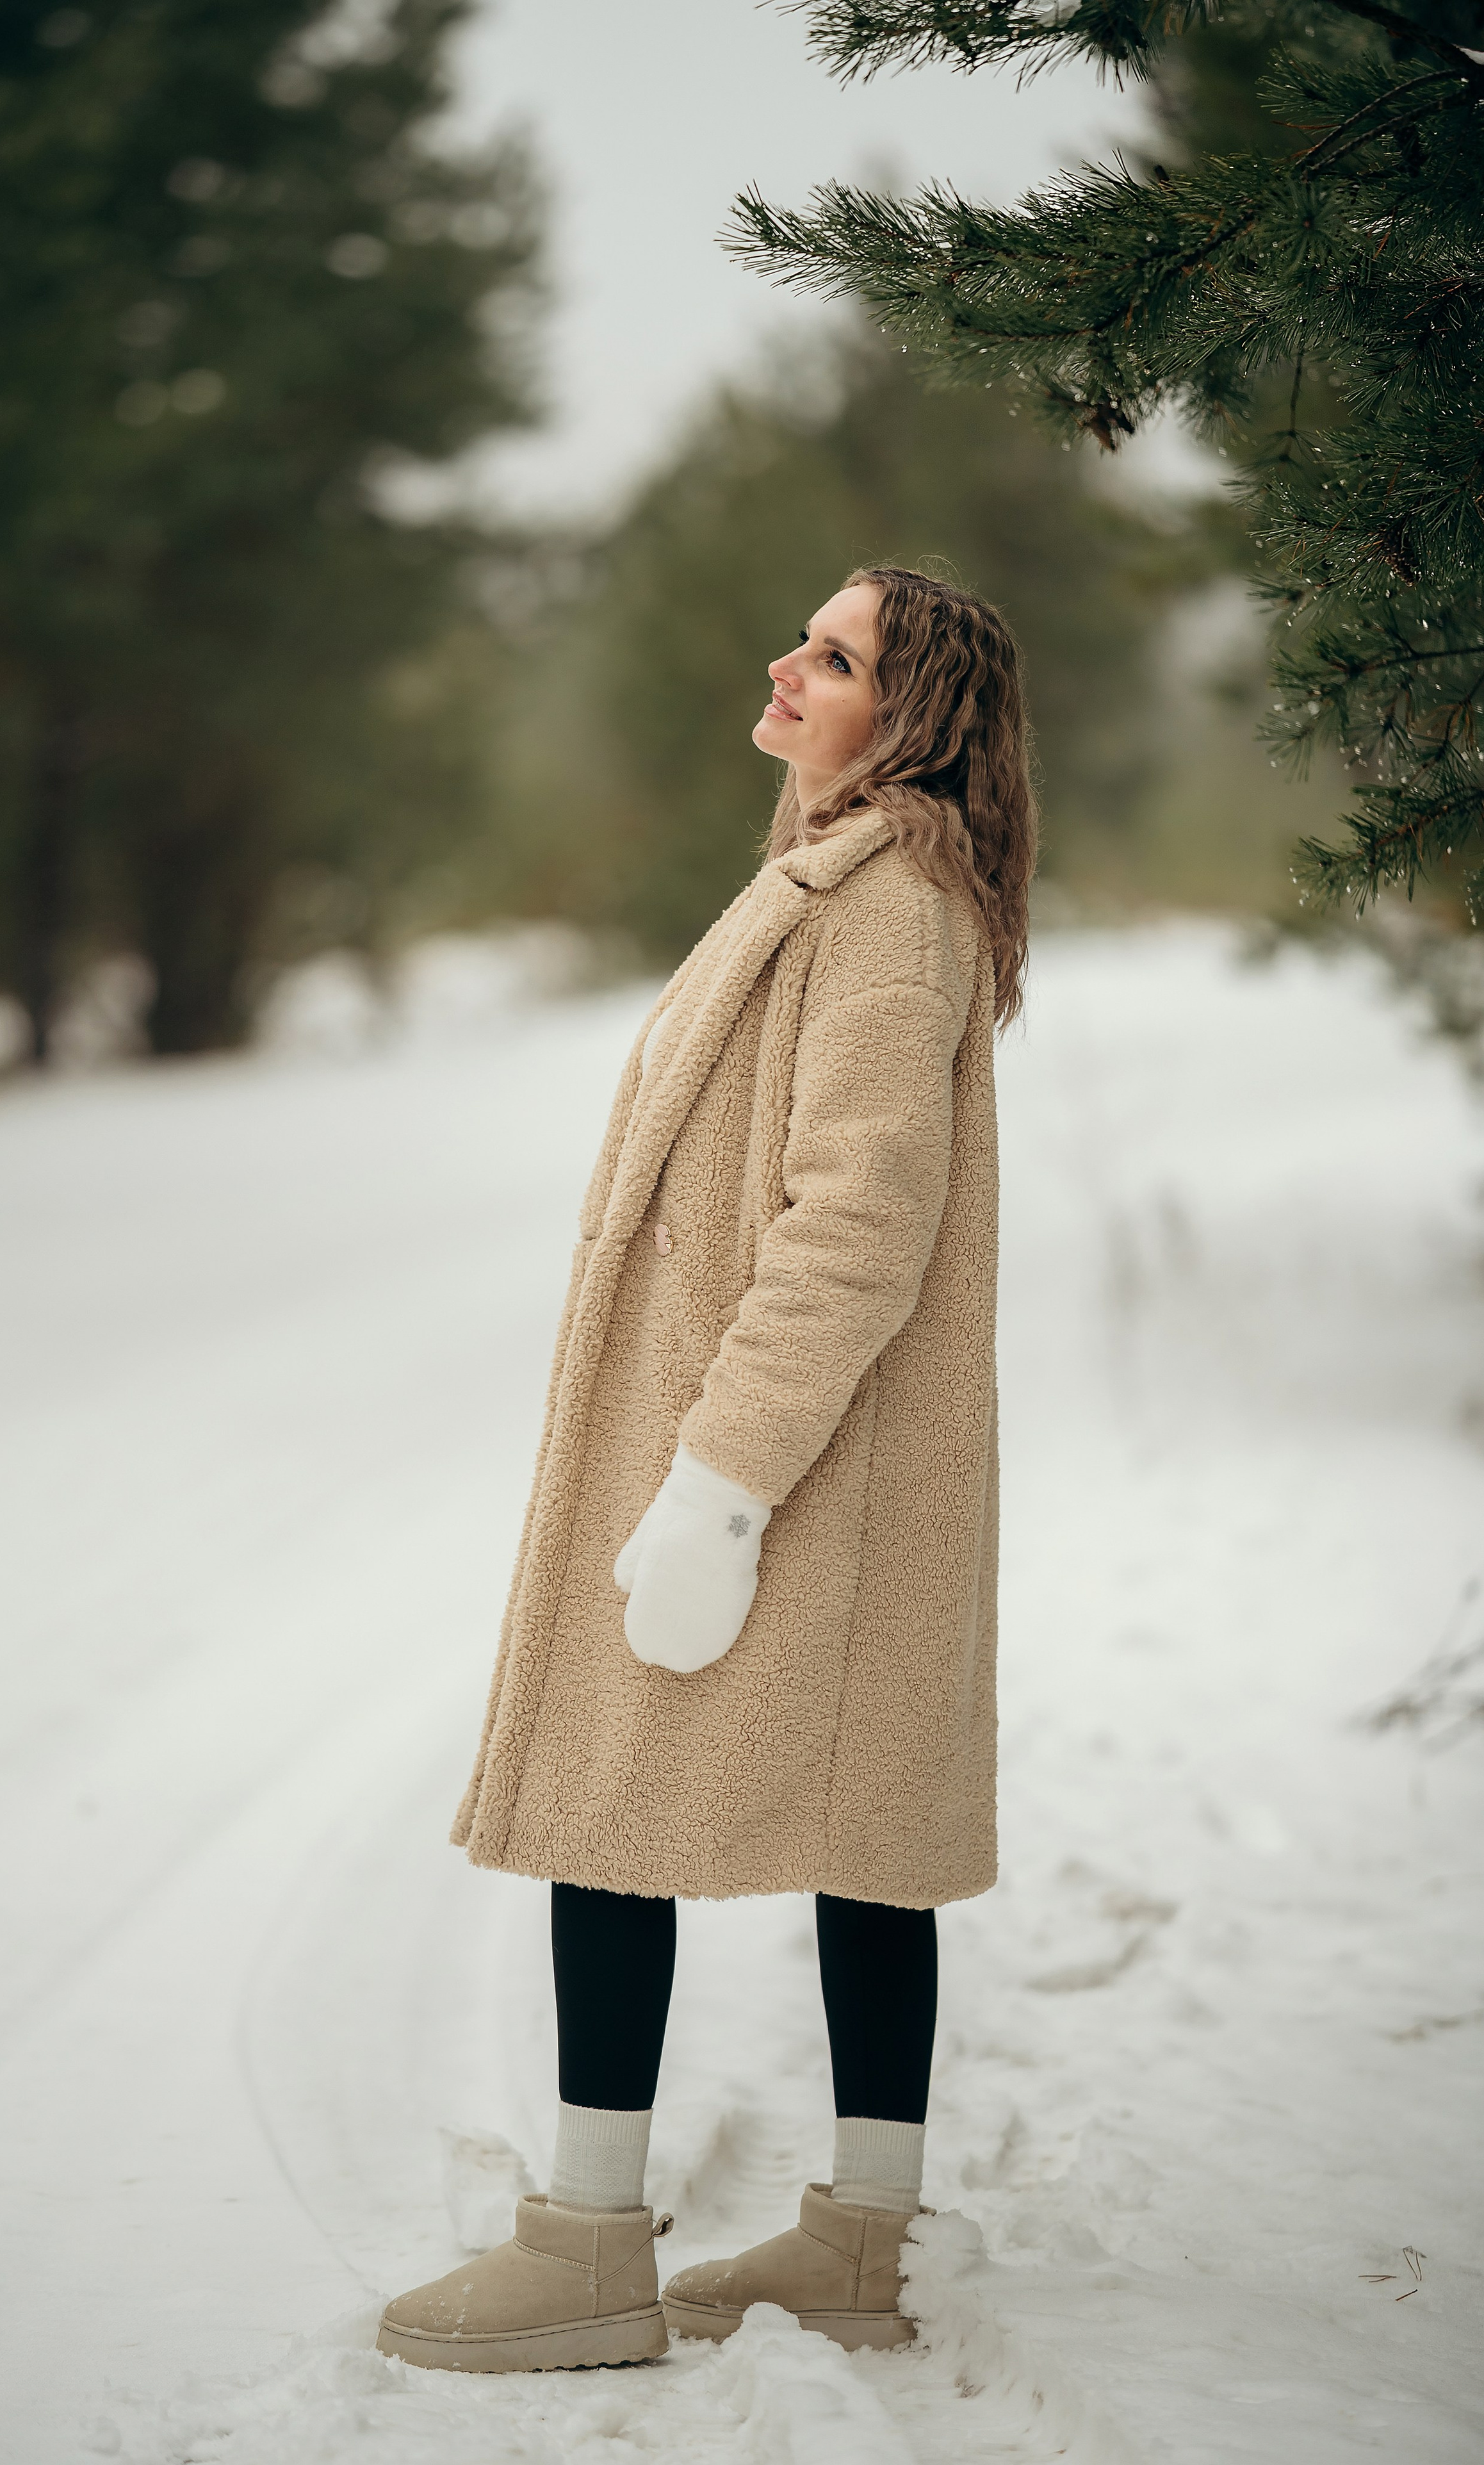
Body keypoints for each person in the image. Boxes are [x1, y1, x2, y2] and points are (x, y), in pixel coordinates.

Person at [378, 564, 1036, 2373]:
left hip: (790, 1461)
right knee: (856, 1834)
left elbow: (857, 1228)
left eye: (832, 658)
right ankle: (853, 2242)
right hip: (817, 1460)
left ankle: (588, 2245)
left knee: (616, 1808)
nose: (786, 664)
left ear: (911, 719)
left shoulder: (888, 905)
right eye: (806, 640)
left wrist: (722, 1485)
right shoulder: (845, 881)